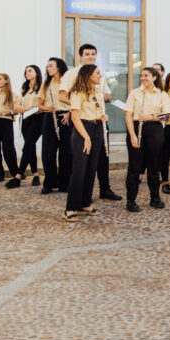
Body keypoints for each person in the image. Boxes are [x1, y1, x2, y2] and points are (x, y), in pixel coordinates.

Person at [59, 44, 122, 202]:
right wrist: (78, 105)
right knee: (81, 163)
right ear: (80, 56)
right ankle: (76, 200)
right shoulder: (71, 74)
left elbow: (106, 94)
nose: (91, 56)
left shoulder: (97, 74)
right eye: (87, 54)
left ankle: (104, 189)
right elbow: (62, 96)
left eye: (94, 54)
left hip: (98, 120)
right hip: (82, 120)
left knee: (101, 157)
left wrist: (104, 99)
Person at [124, 67, 170, 212]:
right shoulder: (135, 93)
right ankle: (131, 200)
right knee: (134, 167)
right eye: (141, 75)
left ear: (154, 78)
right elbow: (128, 114)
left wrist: (151, 117)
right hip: (137, 128)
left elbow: (167, 115)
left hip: (155, 129)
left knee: (154, 166)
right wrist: (132, 135)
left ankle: (155, 198)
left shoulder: (162, 94)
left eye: (146, 76)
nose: (143, 78)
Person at [64, 65, 106, 222]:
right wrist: (86, 138)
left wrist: (102, 117)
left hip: (96, 128)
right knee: (79, 169)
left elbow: (96, 109)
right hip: (83, 130)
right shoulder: (77, 91)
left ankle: (85, 204)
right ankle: (70, 208)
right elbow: (75, 117)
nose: (100, 76)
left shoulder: (96, 91)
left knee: (91, 168)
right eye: (97, 73)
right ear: (88, 75)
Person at [39, 58, 70, 196]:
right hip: (49, 117)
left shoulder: (68, 81)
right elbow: (39, 104)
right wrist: (46, 107)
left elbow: (76, 100)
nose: (48, 68)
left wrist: (69, 112)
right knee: (47, 152)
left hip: (66, 117)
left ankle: (65, 183)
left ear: (59, 67)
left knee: (66, 152)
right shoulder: (46, 84)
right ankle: (49, 182)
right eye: (47, 66)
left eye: (51, 66)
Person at [17, 65, 44, 186]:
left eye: (30, 71)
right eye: (26, 71)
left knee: (27, 146)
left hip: (37, 119)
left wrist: (26, 109)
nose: (27, 73)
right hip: (25, 119)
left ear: (36, 73)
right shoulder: (24, 89)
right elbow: (17, 106)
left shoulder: (42, 87)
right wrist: (25, 109)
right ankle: (35, 175)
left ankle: (18, 175)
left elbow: (40, 106)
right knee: (30, 147)